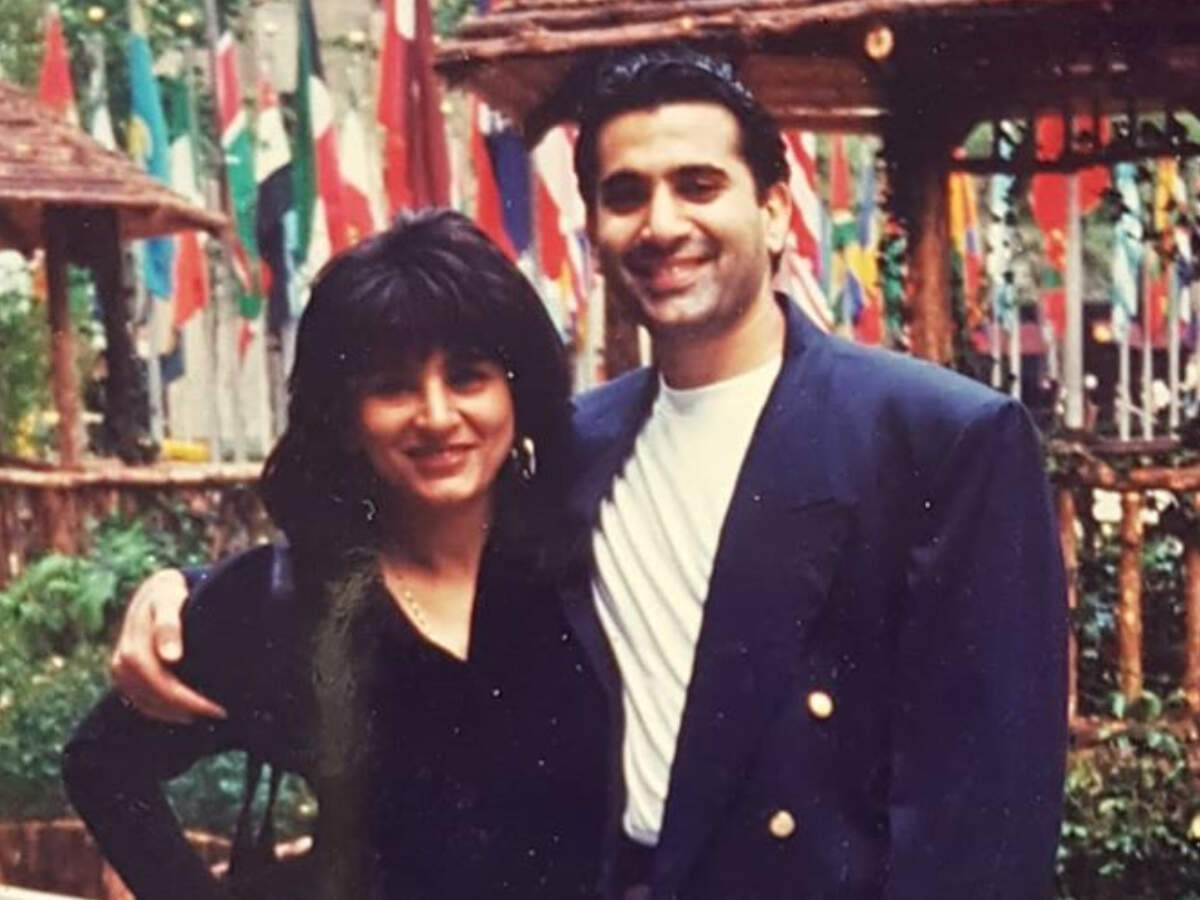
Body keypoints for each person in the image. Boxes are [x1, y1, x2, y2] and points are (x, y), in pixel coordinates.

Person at [101, 47, 1068, 899]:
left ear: (776, 211)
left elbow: (987, 813)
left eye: (698, 184)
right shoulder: (575, 441)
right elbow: (401, 543)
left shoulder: (940, 440)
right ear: (596, 226)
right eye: (626, 193)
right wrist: (183, 596)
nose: (662, 222)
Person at [62, 210, 609, 900]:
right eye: (393, 387)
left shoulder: (586, 559)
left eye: (467, 377)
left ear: (515, 393)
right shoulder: (289, 603)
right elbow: (102, 765)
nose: (437, 416)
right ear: (345, 418)